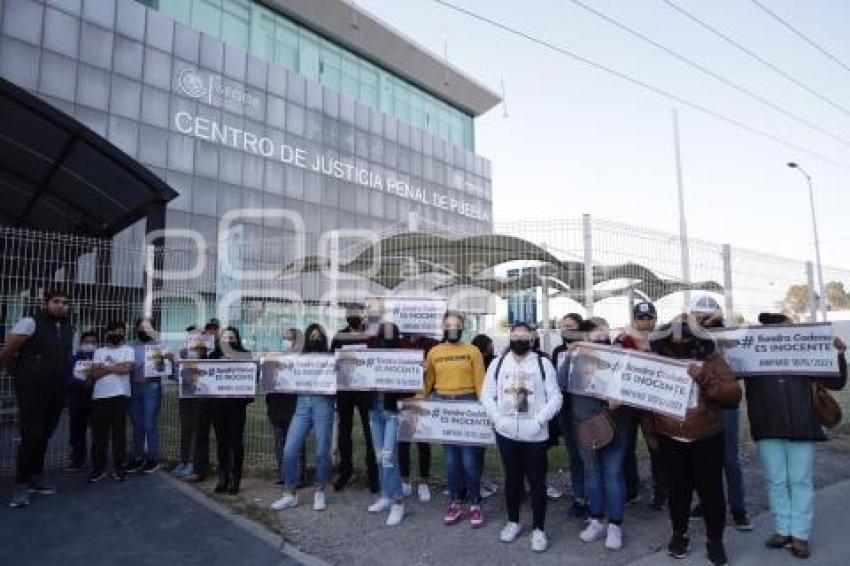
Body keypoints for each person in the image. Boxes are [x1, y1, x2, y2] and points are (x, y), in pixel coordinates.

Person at [746, 313, 847, 559]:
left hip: (802, 425)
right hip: (768, 425)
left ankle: (800, 534)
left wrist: (839, 356)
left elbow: (836, 383)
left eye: (786, 327)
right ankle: (783, 530)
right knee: (776, 480)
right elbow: (727, 369)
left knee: (800, 480)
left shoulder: (805, 351)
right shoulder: (751, 356)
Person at [647, 316, 741, 566]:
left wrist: (704, 377)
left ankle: (715, 540)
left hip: (706, 437)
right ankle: (679, 535)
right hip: (670, 437)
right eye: (674, 337)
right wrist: (651, 433)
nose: (680, 341)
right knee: (677, 492)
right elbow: (645, 400)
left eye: (686, 336)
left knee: (711, 493)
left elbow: (733, 395)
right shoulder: (657, 360)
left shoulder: (712, 360)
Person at [481, 322, 562, 552]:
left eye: (524, 336)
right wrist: (497, 420)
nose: (519, 339)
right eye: (515, 335)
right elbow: (486, 395)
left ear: (533, 339)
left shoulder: (542, 363)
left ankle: (538, 529)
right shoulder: (497, 364)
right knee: (512, 479)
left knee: (537, 482)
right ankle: (513, 521)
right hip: (506, 433)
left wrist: (538, 421)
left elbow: (556, 398)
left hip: (535, 435)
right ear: (509, 338)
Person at [1, 289, 73, 508]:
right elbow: (9, 350)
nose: (61, 305)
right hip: (33, 390)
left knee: (45, 434)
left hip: (57, 389)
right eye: (56, 302)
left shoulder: (67, 326)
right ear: (45, 303)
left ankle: (36, 477)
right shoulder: (29, 322)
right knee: (31, 434)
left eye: (65, 302)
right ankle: (22, 484)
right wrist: (19, 373)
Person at [566, 318, 630, 551]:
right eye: (595, 334)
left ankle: (615, 525)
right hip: (584, 426)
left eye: (604, 332)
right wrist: (570, 358)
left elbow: (634, 388)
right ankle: (596, 520)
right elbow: (563, 383)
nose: (601, 337)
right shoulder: (574, 356)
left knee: (612, 474)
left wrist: (620, 400)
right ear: (584, 336)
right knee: (591, 473)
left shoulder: (621, 357)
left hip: (614, 424)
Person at [690, 296, 752, 531]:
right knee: (704, 458)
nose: (702, 318)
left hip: (725, 402)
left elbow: (740, 363)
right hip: (700, 403)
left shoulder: (728, 335)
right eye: (698, 314)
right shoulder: (688, 334)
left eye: (707, 314)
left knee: (729, 458)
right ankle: (706, 503)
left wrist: (717, 324)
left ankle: (738, 507)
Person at [422, 311, 486, 527]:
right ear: (443, 327)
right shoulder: (434, 352)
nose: (452, 328)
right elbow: (428, 382)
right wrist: (415, 400)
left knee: (469, 458)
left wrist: (484, 408)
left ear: (462, 327)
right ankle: (455, 502)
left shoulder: (473, 351)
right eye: (448, 324)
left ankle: (475, 503)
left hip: (467, 403)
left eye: (456, 324)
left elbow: (481, 383)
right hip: (443, 404)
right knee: (451, 460)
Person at [271, 324, 336, 511]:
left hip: (323, 403)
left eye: (319, 335)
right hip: (302, 405)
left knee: (322, 450)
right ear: (307, 338)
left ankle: (320, 491)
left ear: (324, 339)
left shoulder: (332, 358)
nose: (315, 338)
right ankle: (290, 493)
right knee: (289, 449)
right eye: (312, 335)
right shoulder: (298, 358)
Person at [615, 302, 668, 510]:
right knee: (626, 446)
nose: (645, 322)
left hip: (652, 403)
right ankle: (631, 489)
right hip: (629, 402)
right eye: (641, 318)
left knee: (656, 447)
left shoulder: (663, 338)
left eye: (649, 318)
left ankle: (661, 492)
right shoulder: (623, 338)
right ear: (634, 320)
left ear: (655, 319)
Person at [366, 322, 415, 526]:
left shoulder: (404, 357)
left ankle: (398, 503)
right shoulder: (370, 355)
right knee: (379, 457)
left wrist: (413, 371)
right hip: (375, 410)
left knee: (388, 457)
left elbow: (410, 388)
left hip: (393, 412)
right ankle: (385, 497)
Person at [331, 306, 379, 493]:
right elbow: (332, 361)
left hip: (366, 390)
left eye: (357, 314)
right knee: (345, 430)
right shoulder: (339, 336)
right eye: (350, 314)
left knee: (370, 431)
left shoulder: (371, 336)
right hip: (345, 390)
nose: (354, 317)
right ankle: (345, 471)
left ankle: (373, 474)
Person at [87, 321, 135, 483]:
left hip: (120, 395)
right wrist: (115, 367)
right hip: (100, 396)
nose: (118, 334)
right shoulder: (99, 351)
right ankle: (98, 468)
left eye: (121, 332)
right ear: (108, 333)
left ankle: (119, 467)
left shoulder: (128, 350)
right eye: (115, 331)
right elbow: (94, 373)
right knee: (99, 434)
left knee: (119, 433)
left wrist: (105, 367)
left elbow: (126, 369)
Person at [551, 313, 589, 519]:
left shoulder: (592, 348)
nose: (566, 329)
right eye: (563, 326)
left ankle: (595, 498)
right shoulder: (557, 351)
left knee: (590, 457)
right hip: (566, 412)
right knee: (575, 457)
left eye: (571, 326)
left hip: (587, 413)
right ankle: (579, 498)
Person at [208, 326, 253, 494]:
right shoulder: (212, 356)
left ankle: (235, 480)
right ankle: (223, 478)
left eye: (232, 337)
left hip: (236, 405)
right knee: (221, 442)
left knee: (236, 442)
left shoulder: (245, 355)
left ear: (237, 339)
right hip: (218, 406)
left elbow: (251, 376)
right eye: (225, 338)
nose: (229, 340)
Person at [127, 318, 172, 474]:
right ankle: (137, 457)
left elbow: (166, 365)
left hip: (151, 387)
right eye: (141, 327)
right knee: (137, 424)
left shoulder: (160, 346)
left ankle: (153, 458)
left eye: (147, 328)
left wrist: (167, 359)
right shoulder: (129, 346)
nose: (144, 330)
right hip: (133, 387)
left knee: (149, 423)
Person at [398, 332, 437, 502]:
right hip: (403, 398)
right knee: (403, 442)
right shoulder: (399, 342)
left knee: (422, 442)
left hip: (422, 398)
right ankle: (405, 480)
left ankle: (423, 482)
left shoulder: (431, 343)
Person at [266, 328, 305, 487]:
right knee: (279, 440)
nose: (286, 341)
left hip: (294, 403)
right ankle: (283, 474)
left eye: (289, 338)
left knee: (297, 441)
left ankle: (299, 476)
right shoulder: (273, 358)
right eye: (284, 337)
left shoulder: (301, 360)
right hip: (276, 404)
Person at [184, 321, 219, 482]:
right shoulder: (194, 352)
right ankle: (199, 469)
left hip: (219, 399)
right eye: (206, 333)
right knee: (200, 433)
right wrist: (199, 352)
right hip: (202, 397)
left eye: (213, 332)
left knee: (223, 435)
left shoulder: (220, 350)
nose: (209, 335)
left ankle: (226, 468)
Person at [64, 330, 97, 472]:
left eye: (93, 343)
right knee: (77, 432)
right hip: (77, 400)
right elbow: (67, 379)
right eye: (87, 342)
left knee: (97, 432)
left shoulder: (99, 359)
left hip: (95, 400)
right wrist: (83, 384)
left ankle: (98, 461)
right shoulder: (73, 359)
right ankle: (78, 459)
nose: (89, 345)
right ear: (81, 343)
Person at [471, 333, 499, 501]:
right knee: (476, 451)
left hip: (484, 410)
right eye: (490, 345)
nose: (492, 347)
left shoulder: (493, 362)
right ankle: (476, 484)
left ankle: (477, 482)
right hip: (478, 411)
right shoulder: (478, 362)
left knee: (478, 451)